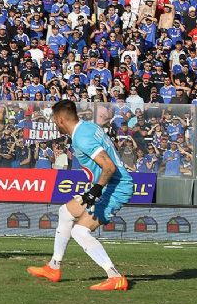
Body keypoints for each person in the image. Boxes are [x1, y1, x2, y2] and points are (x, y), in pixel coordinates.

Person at [27, 100, 133, 291]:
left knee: (80, 231)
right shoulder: (87, 127)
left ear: (60, 120)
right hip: (109, 184)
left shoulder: (81, 138)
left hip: (115, 186)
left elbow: (109, 167)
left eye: (54, 120)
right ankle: (53, 267)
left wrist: (94, 192)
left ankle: (115, 276)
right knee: (65, 212)